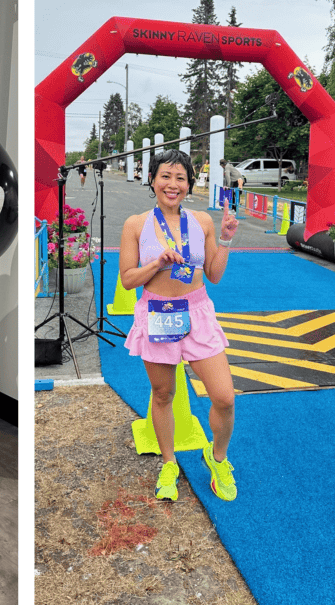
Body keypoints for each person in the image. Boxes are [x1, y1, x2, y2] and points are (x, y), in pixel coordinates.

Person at [119, 149, 239, 503]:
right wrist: (157, 262)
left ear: (189, 184)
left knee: (224, 398)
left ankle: (217, 458)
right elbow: (127, 280)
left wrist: (228, 237)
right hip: (158, 314)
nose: (172, 185)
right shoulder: (136, 225)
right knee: (163, 394)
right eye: (165, 176)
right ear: (153, 179)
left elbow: (214, 275)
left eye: (180, 178)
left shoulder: (202, 221)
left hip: (198, 314)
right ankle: (169, 462)